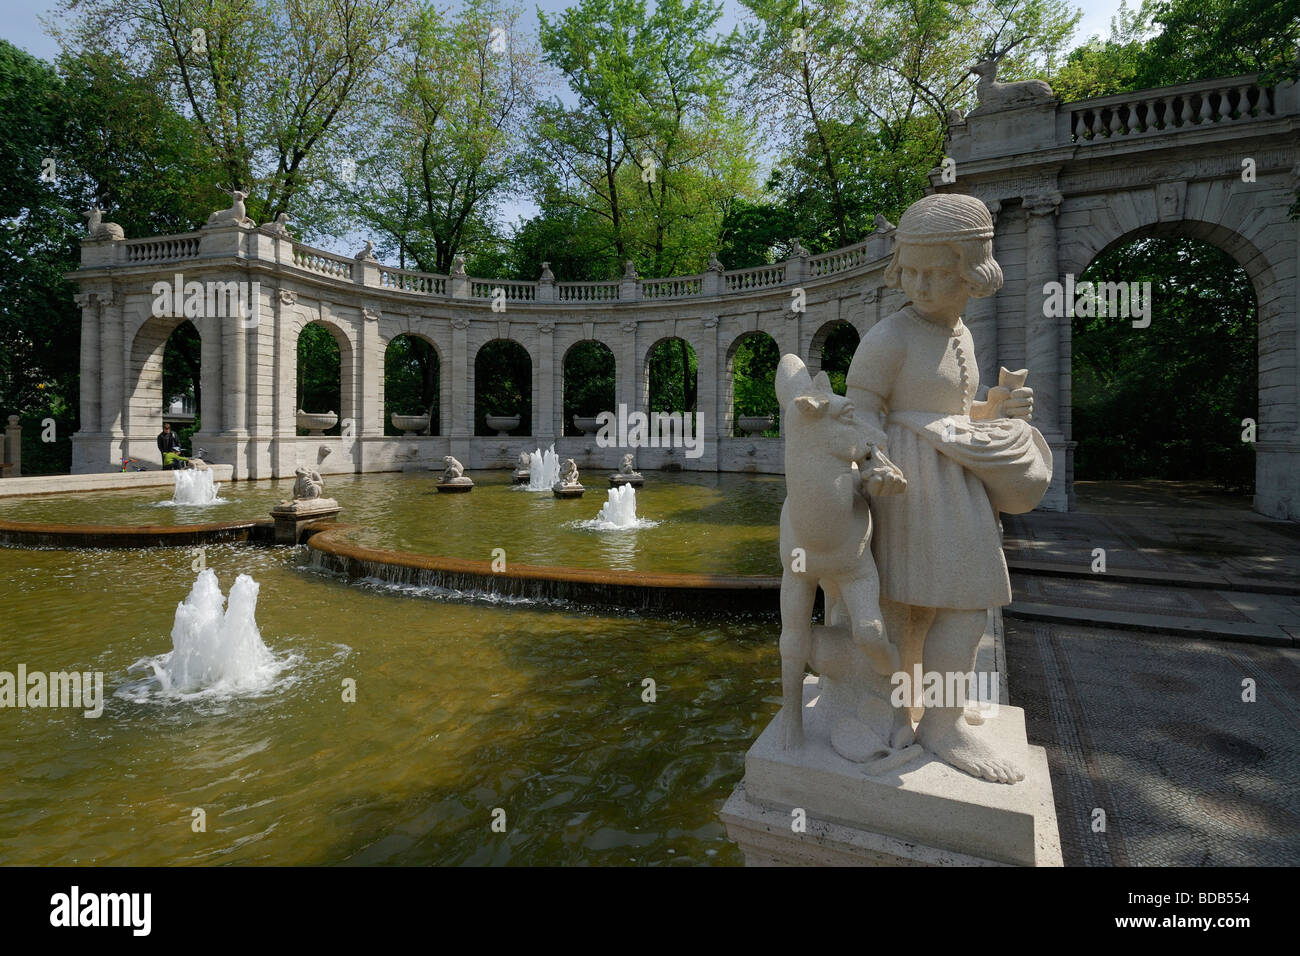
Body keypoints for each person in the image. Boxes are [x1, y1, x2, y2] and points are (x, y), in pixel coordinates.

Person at [846, 193, 1052, 784]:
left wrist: (997, 412)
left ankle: (941, 719)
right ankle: (903, 713)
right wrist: (872, 460)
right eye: (911, 272)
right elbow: (860, 408)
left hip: (953, 480)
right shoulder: (890, 335)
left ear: (972, 274)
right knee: (901, 612)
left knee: (965, 608)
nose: (923, 286)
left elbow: (954, 410)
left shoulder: (961, 333)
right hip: (905, 486)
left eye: (939, 273)